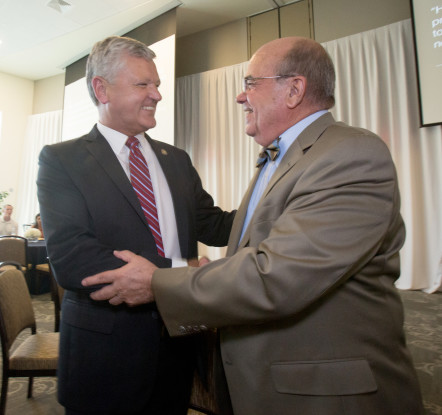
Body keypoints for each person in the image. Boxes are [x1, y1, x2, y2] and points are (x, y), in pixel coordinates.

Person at [82, 37, 424, 415]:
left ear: (294, 89)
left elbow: (278, 274)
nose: (240, 97)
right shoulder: (278, 157)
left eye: (250, 84)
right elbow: (250, 240)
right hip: (260, 379)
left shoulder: (350, 154)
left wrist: (156, 282)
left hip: (323, 394)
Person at [37, 35, 235, 415]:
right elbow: (73, 259)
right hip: (105, 360)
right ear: (102, 89)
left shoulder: (176, 160)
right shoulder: (62, 160)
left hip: (177, 347)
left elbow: (213, 224)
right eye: (143, 84)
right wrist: (183, 273)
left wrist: (275, 206)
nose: (156, 94)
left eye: (157, 84)